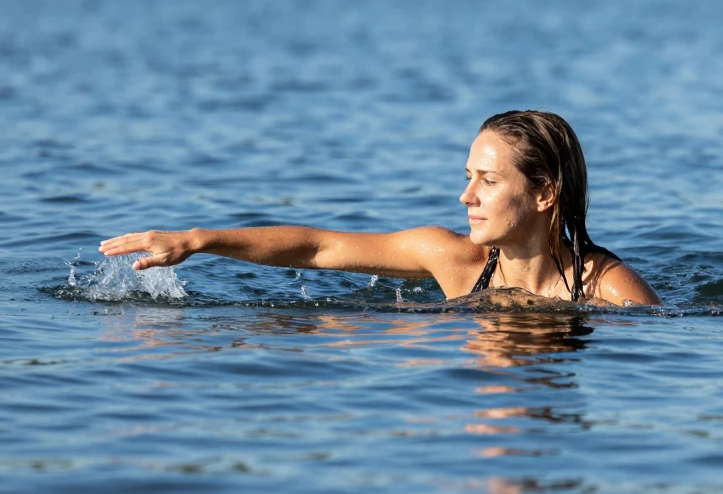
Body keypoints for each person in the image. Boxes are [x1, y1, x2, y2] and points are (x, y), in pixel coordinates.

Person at [100, 110, 661, 306]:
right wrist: (197, 240)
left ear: (544, 194)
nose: (466, 196)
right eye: (467, 177)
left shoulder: (608, 290)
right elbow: (320, 249)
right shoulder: (456, 261)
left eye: (488, 181)